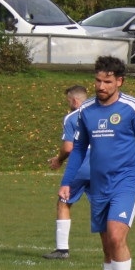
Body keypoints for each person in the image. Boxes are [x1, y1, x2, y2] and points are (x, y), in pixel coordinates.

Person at [60, 56, 135, 270]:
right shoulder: (86, 110)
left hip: (126, 182)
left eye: (107, 81)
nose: (100, 86)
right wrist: (67, 182)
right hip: (98, 185)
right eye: (98, 80)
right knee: (106, 247)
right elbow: (78, 149)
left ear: (119, 81)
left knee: (116, 237)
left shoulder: (133, 107)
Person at [43, 85, 91, 259]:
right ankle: (113, 248)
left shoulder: (71, 117)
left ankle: (62, 250)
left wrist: (59, 159)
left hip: (81, 166)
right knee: (103, 207)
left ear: (75, 100)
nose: (68, 103)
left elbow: (69, 147)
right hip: (102, 165)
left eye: (68, 100)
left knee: (63, 202)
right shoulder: (98, 112)